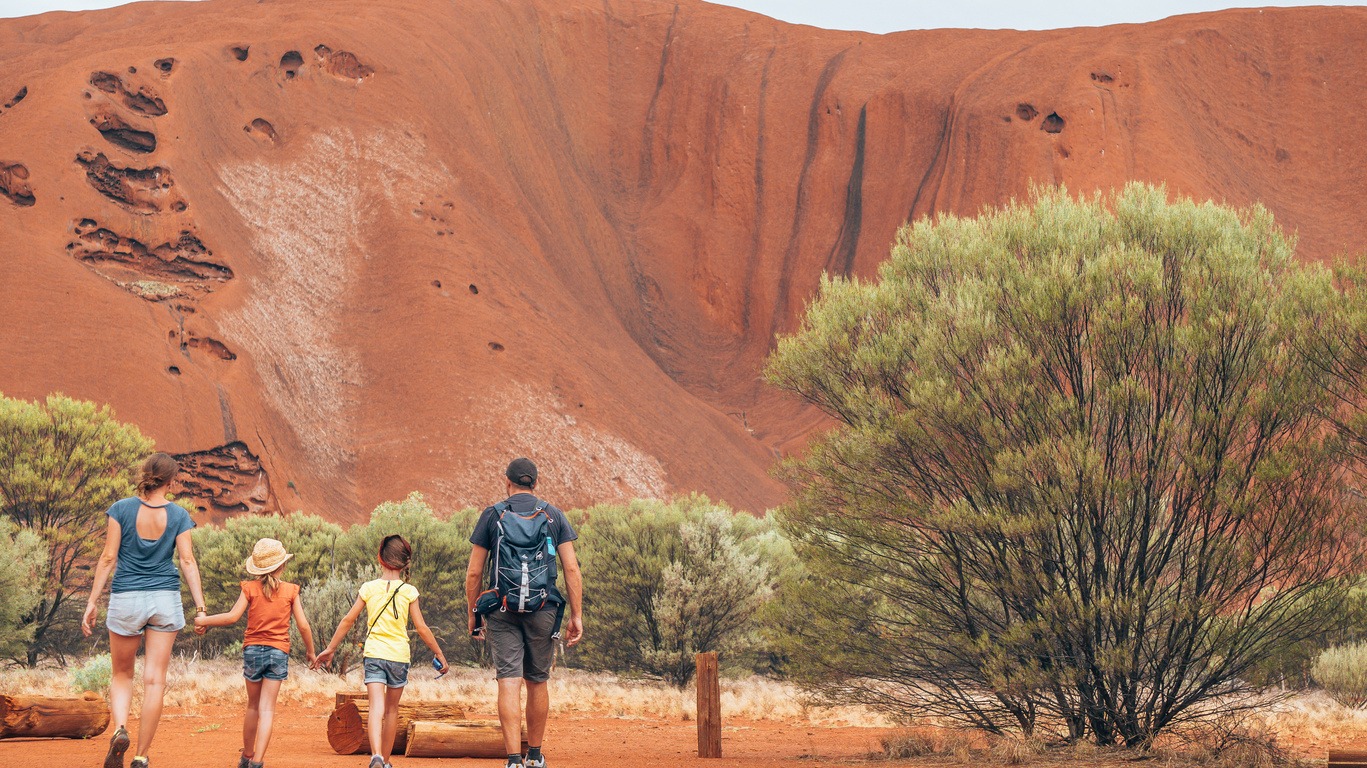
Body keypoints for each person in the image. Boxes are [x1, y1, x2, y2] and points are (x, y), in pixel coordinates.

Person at [82, 452, 207, 768]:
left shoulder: (121, 510)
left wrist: (92, 601)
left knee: (122, 674)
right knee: (155, 680)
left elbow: (109, 558)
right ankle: (140, 756)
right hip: (164, 597)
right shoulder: (179, 515)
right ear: (171, 481)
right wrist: (201, 607)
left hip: (127, 597)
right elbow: (188, 561)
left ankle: (120, 729)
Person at [465, 458, 583, 768]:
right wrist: (576, 615)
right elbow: (571, 567)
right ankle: (535, 756)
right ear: (535, 484)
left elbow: (474, 574)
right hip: (544, 608)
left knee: (508, 682)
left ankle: (513, 760)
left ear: (507, 482)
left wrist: (474, 614)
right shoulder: (553, 515)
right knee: (537, 681)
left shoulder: (492, 515)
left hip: (502, 610)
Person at [314, 535, 450, 768]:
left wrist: (330, 648)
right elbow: (421, 627)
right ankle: (385, 761)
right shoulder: (409, 591)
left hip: (375, 654)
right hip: (398, 656)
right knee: (392, 710)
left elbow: (348, 620)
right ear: (405, 563)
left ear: (380, 559)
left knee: (376, 707)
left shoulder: (368, 588)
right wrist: (438, 652)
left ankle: (375, 755)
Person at [194, 538, 317, 768]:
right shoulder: (291, 591)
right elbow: (303, 626)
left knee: (252, 706)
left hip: (252, 651)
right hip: (278, 652)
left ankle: (247, 756)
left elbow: (232, 617)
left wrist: (205, 620)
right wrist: (310, 652)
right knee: (267, 708)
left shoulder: (250, 588)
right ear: (282, 566)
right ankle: (257, 762)